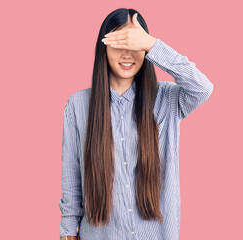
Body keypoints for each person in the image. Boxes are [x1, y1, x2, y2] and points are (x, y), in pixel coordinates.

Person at [59, 8, 214, 240]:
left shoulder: (167, 98)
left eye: (135, 45)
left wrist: (153, 45)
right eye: (119, 42)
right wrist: (68, 233)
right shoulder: (78, 105)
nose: (127, 54)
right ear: (104, 46)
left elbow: (202, 88)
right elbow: (72, 180)